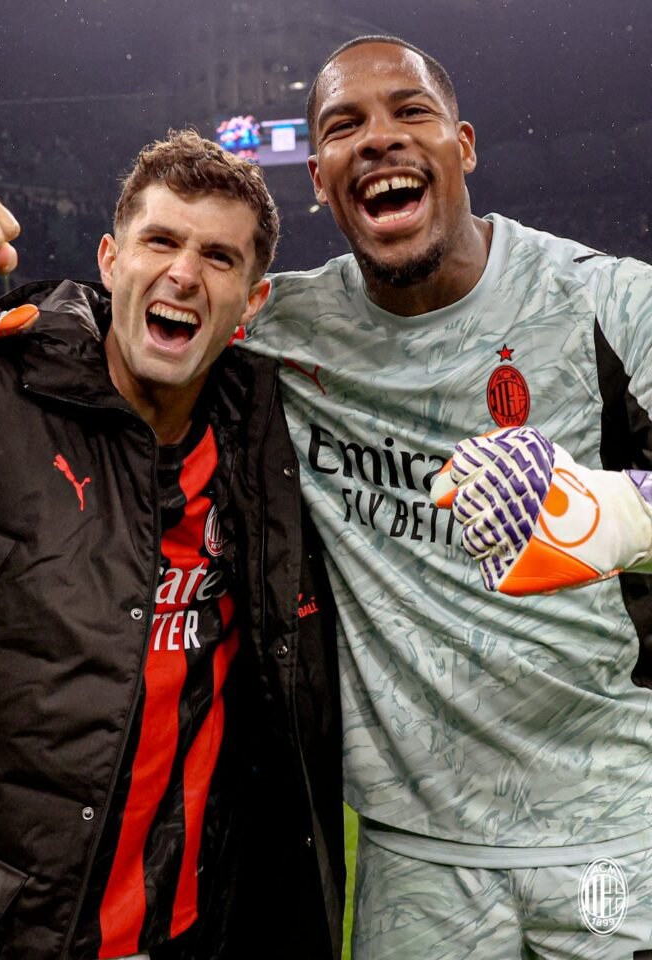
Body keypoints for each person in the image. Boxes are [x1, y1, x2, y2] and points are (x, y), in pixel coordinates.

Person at [0, 130, 344, 960]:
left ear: (252, 303)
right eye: (160, 240)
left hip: (175, 935)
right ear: (108, 258)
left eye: (218, 257)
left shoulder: (265, 450)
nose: (182, 273)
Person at [241, 34, 652, 960]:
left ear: (462, 146)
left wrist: (614, 514)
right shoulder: (283, 332)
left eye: (410, 112)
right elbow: (141, 315)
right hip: (415, 862)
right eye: (346, 126)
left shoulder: (608, 303)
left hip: (614, 831)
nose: (379, 138)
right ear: (317, 177)